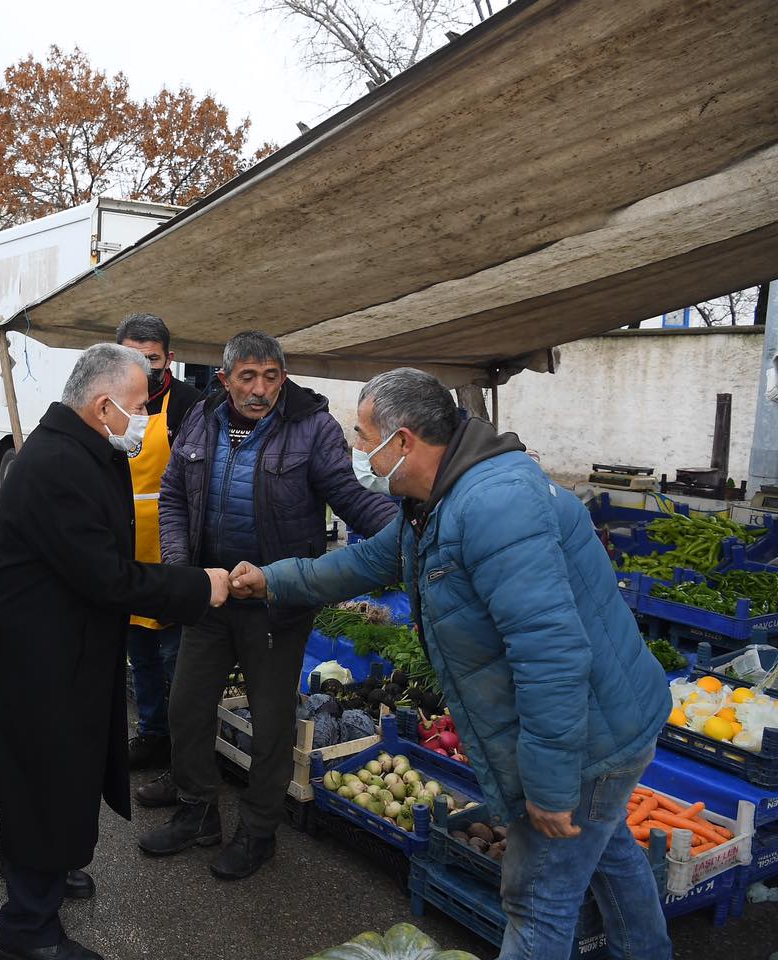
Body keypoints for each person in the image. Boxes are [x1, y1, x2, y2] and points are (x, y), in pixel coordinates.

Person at [231, 367, 672, 959]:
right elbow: (361, 564)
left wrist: (548, 784)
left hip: (589, 734)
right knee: (610, 853)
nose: (358, 452)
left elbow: (551, 655)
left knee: (537, 902)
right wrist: (271, 581)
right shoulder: (433, 501)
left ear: (403, 441)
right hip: (598, 722)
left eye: (363, 438)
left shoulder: (494, 507)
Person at [0, 343, 229, 960]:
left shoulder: (80, 448)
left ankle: (43, 874)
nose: (146, 418)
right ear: (103, 405)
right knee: (46, 778)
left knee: (53, 777)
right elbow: (108, 576)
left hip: (60, 642)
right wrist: (200, 585)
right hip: (43, 654)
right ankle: (28, 933)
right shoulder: (60, 464)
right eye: (140, 407)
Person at [137, 331, 395, 880]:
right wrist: (187, 572)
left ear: (284, 375)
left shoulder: (312, 427)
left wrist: (412, 535)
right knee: (186, 706)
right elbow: (176, 497)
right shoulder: (202, 419)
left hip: (277, 601)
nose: (260, 390)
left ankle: (258, 832)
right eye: (247, 378)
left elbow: (351, 498)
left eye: (271, 377)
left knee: (272, 722)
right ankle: (199, 808)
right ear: (225, 378)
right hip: (212, 596)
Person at [113, 314, 202, 773]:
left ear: (169, 357)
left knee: (175, 659)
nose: (144, 367)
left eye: (151, 358)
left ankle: (183, 752)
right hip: (123, 552)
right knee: (139, 656)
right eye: (133, 357)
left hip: (171, 551)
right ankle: (151, 735)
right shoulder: (110, 403)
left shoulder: (190, 404)